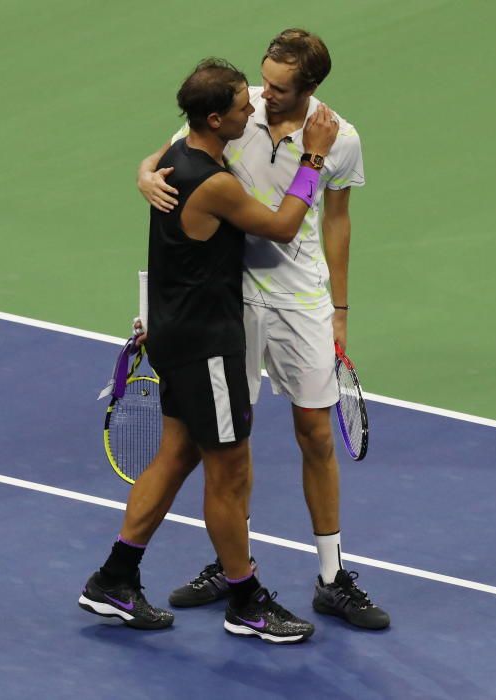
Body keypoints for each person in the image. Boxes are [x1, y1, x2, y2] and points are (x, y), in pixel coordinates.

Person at [79, 57, 338, 644]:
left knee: (175, 456)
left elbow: (153, 159)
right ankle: (245, 599)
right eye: (243, 106)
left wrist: (142, 166)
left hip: (176, 334)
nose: (254, 110)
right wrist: (314, 158)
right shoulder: (215, 183)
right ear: (215, 118)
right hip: (208, 346)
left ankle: (114, 579)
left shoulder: (173, 161)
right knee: (229, 471)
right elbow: (282, 226)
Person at [138, 29, 390, 631]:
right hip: (230, 298)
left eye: (279, 88)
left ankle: (331, 577)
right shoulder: (234, 111)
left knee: (316, 434)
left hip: (300, 299)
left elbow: (337, 222)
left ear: (310, 87)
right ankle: (234, 569)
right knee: (227, 449)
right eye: (264, 81)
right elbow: (168, 154)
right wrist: (141, 173)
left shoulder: (340, 138)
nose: (266, 95)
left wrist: (342, 310)